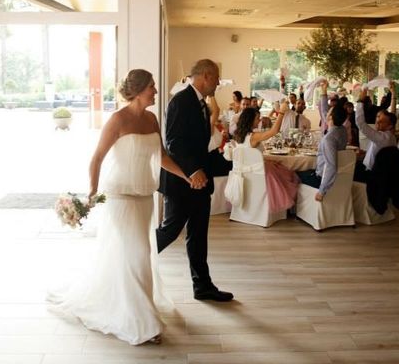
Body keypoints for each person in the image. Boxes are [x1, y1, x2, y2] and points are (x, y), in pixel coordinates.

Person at [47, 69, 192, 346]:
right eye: (152, 86)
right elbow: (97, 158)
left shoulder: (151, 119)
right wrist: (91, 190)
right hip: (121, 199)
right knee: (136, 254)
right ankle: (143, 324)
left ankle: (133, 308)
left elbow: (161, 156)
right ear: (138, 89)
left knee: (141, 254)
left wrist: (185, 175)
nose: (156, 91)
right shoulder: (117, 120)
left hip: (144, 200)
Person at [157, 59, 234, 302]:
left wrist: (231, 162)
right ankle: (130, 264)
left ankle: (203, 286)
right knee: (170, 232)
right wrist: (192, 171)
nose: (219, 83)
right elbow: (173, 142)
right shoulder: (181, 100)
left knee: (198, 235)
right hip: (182, 184)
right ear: (205, 76)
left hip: (201, 185)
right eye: (217, 78)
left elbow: (201, 147)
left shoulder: (202, 104)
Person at [232, 105, 300, 212]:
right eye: (257, 118)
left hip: (244, 172)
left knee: (275, 165)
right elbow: (274, 131)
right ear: (250, 120)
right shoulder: (253, 137)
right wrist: (281, 113)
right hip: (258, 173)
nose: (259, 121)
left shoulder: (238, 135)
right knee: (287, 173)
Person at [296, 104, 348, 201]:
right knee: (307, 170)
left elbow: (331, 166)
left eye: (329, 111)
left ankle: (292, 209)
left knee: (293, 173)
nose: (326, 112)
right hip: (340, 178)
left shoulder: (329, 139)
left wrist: (322, 191)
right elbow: (325, 114)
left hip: (321, 179)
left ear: (331, 117)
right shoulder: (342, 130)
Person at [354, 87, 397, 183]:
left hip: (373, 174)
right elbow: (377, 153)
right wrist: (365, 153)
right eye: (377, 118)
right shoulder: (390, 137)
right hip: (383, 173)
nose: (377, 122)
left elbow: (360, 123)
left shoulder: (381, 137)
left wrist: (360, 100)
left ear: (390, 126)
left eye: (381, 121)